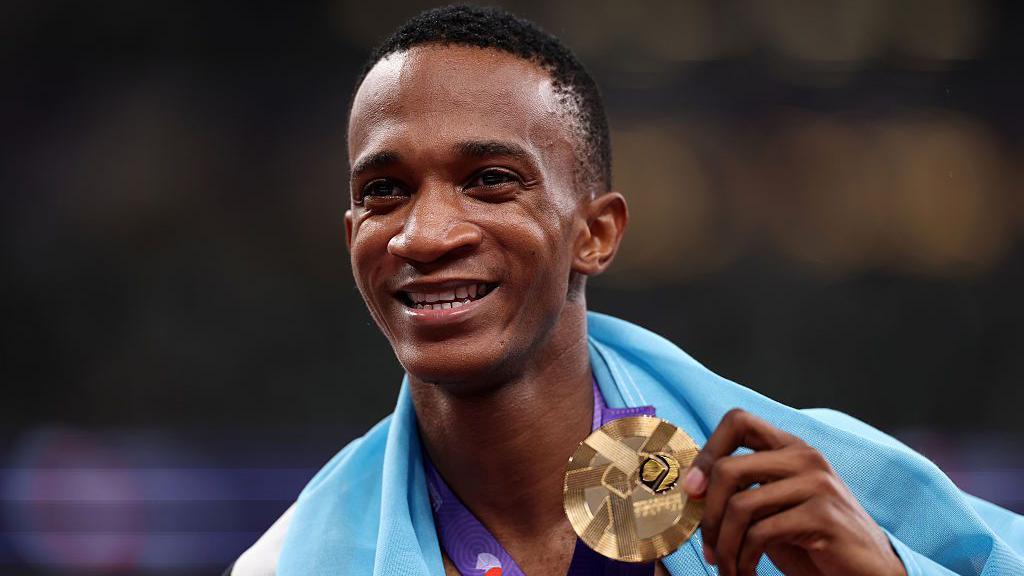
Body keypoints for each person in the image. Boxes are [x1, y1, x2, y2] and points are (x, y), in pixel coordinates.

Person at [227, 6, 1023, 575]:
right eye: (385, 191)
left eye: (491, 180)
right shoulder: (292, 561)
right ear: (353, 240)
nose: (425, 235)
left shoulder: (837, 495)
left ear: (597, 234)